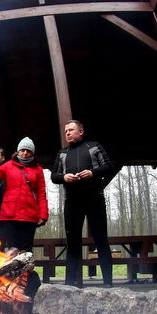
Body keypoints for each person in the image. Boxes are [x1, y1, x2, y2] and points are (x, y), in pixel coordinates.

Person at [51, 120, 113, 287]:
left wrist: (92, 173)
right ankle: (70, 284)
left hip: (94, 199)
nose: (68, 133)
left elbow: (109, 166)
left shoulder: (93, 146)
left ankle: (108, 283)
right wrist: (64, 177)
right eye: (66, 132)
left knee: (101, 240)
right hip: (72, 202)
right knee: (73, 243)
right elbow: (54, 176)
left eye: (71, 130)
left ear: (81, 131)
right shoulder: (62, 153)